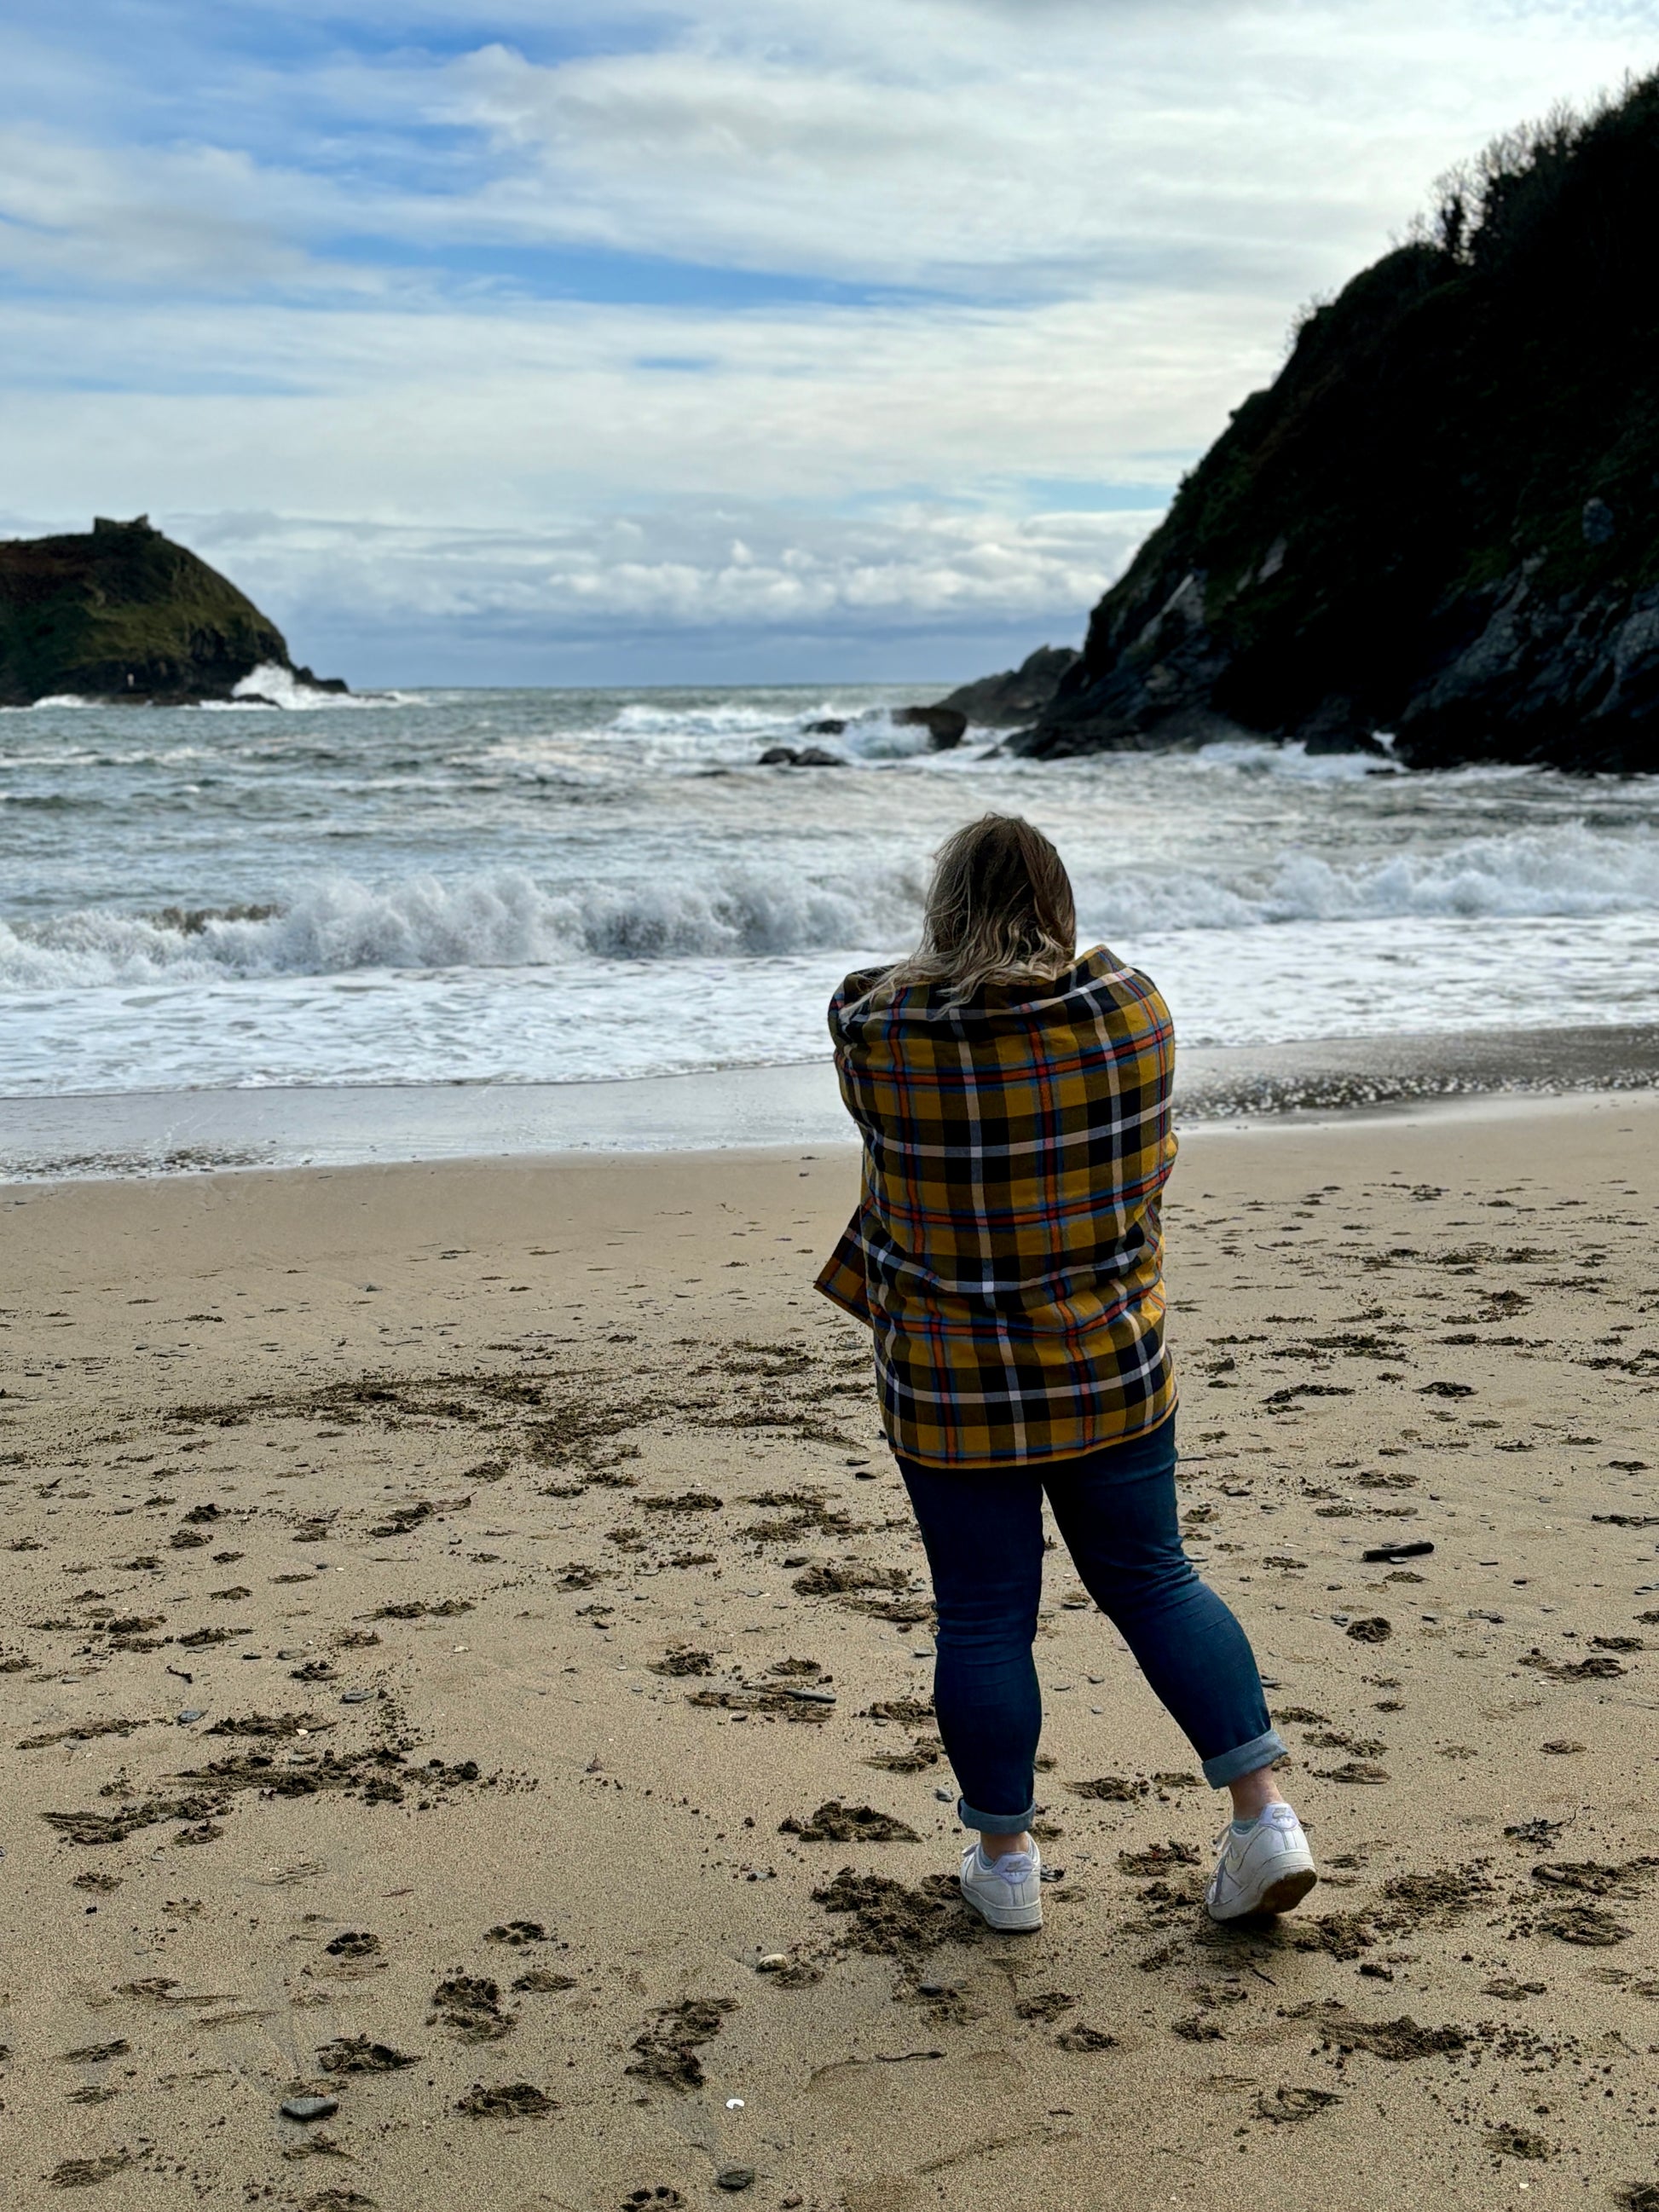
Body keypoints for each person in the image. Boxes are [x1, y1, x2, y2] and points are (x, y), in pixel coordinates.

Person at [816, 812, 1316, 1933]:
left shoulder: (877, 1028)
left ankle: (1005, 1867)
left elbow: (869, 996)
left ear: (945, 911)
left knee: (983, 1617)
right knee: (1155, 1579)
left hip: (951, 1380)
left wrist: (949, 967)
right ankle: (1264, 1817)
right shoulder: (1130, 1012)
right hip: (1108, 1361)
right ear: (1059, 904)